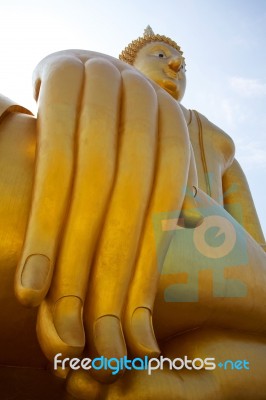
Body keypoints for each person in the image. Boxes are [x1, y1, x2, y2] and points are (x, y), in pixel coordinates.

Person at [0, 27, 266, 399]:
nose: (175, 65)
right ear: (129, 63)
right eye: (159, 55)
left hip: (198, 274)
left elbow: (256, 254)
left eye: (183, 64)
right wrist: (71, 61)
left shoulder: (219, 145)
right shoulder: (89, 101)